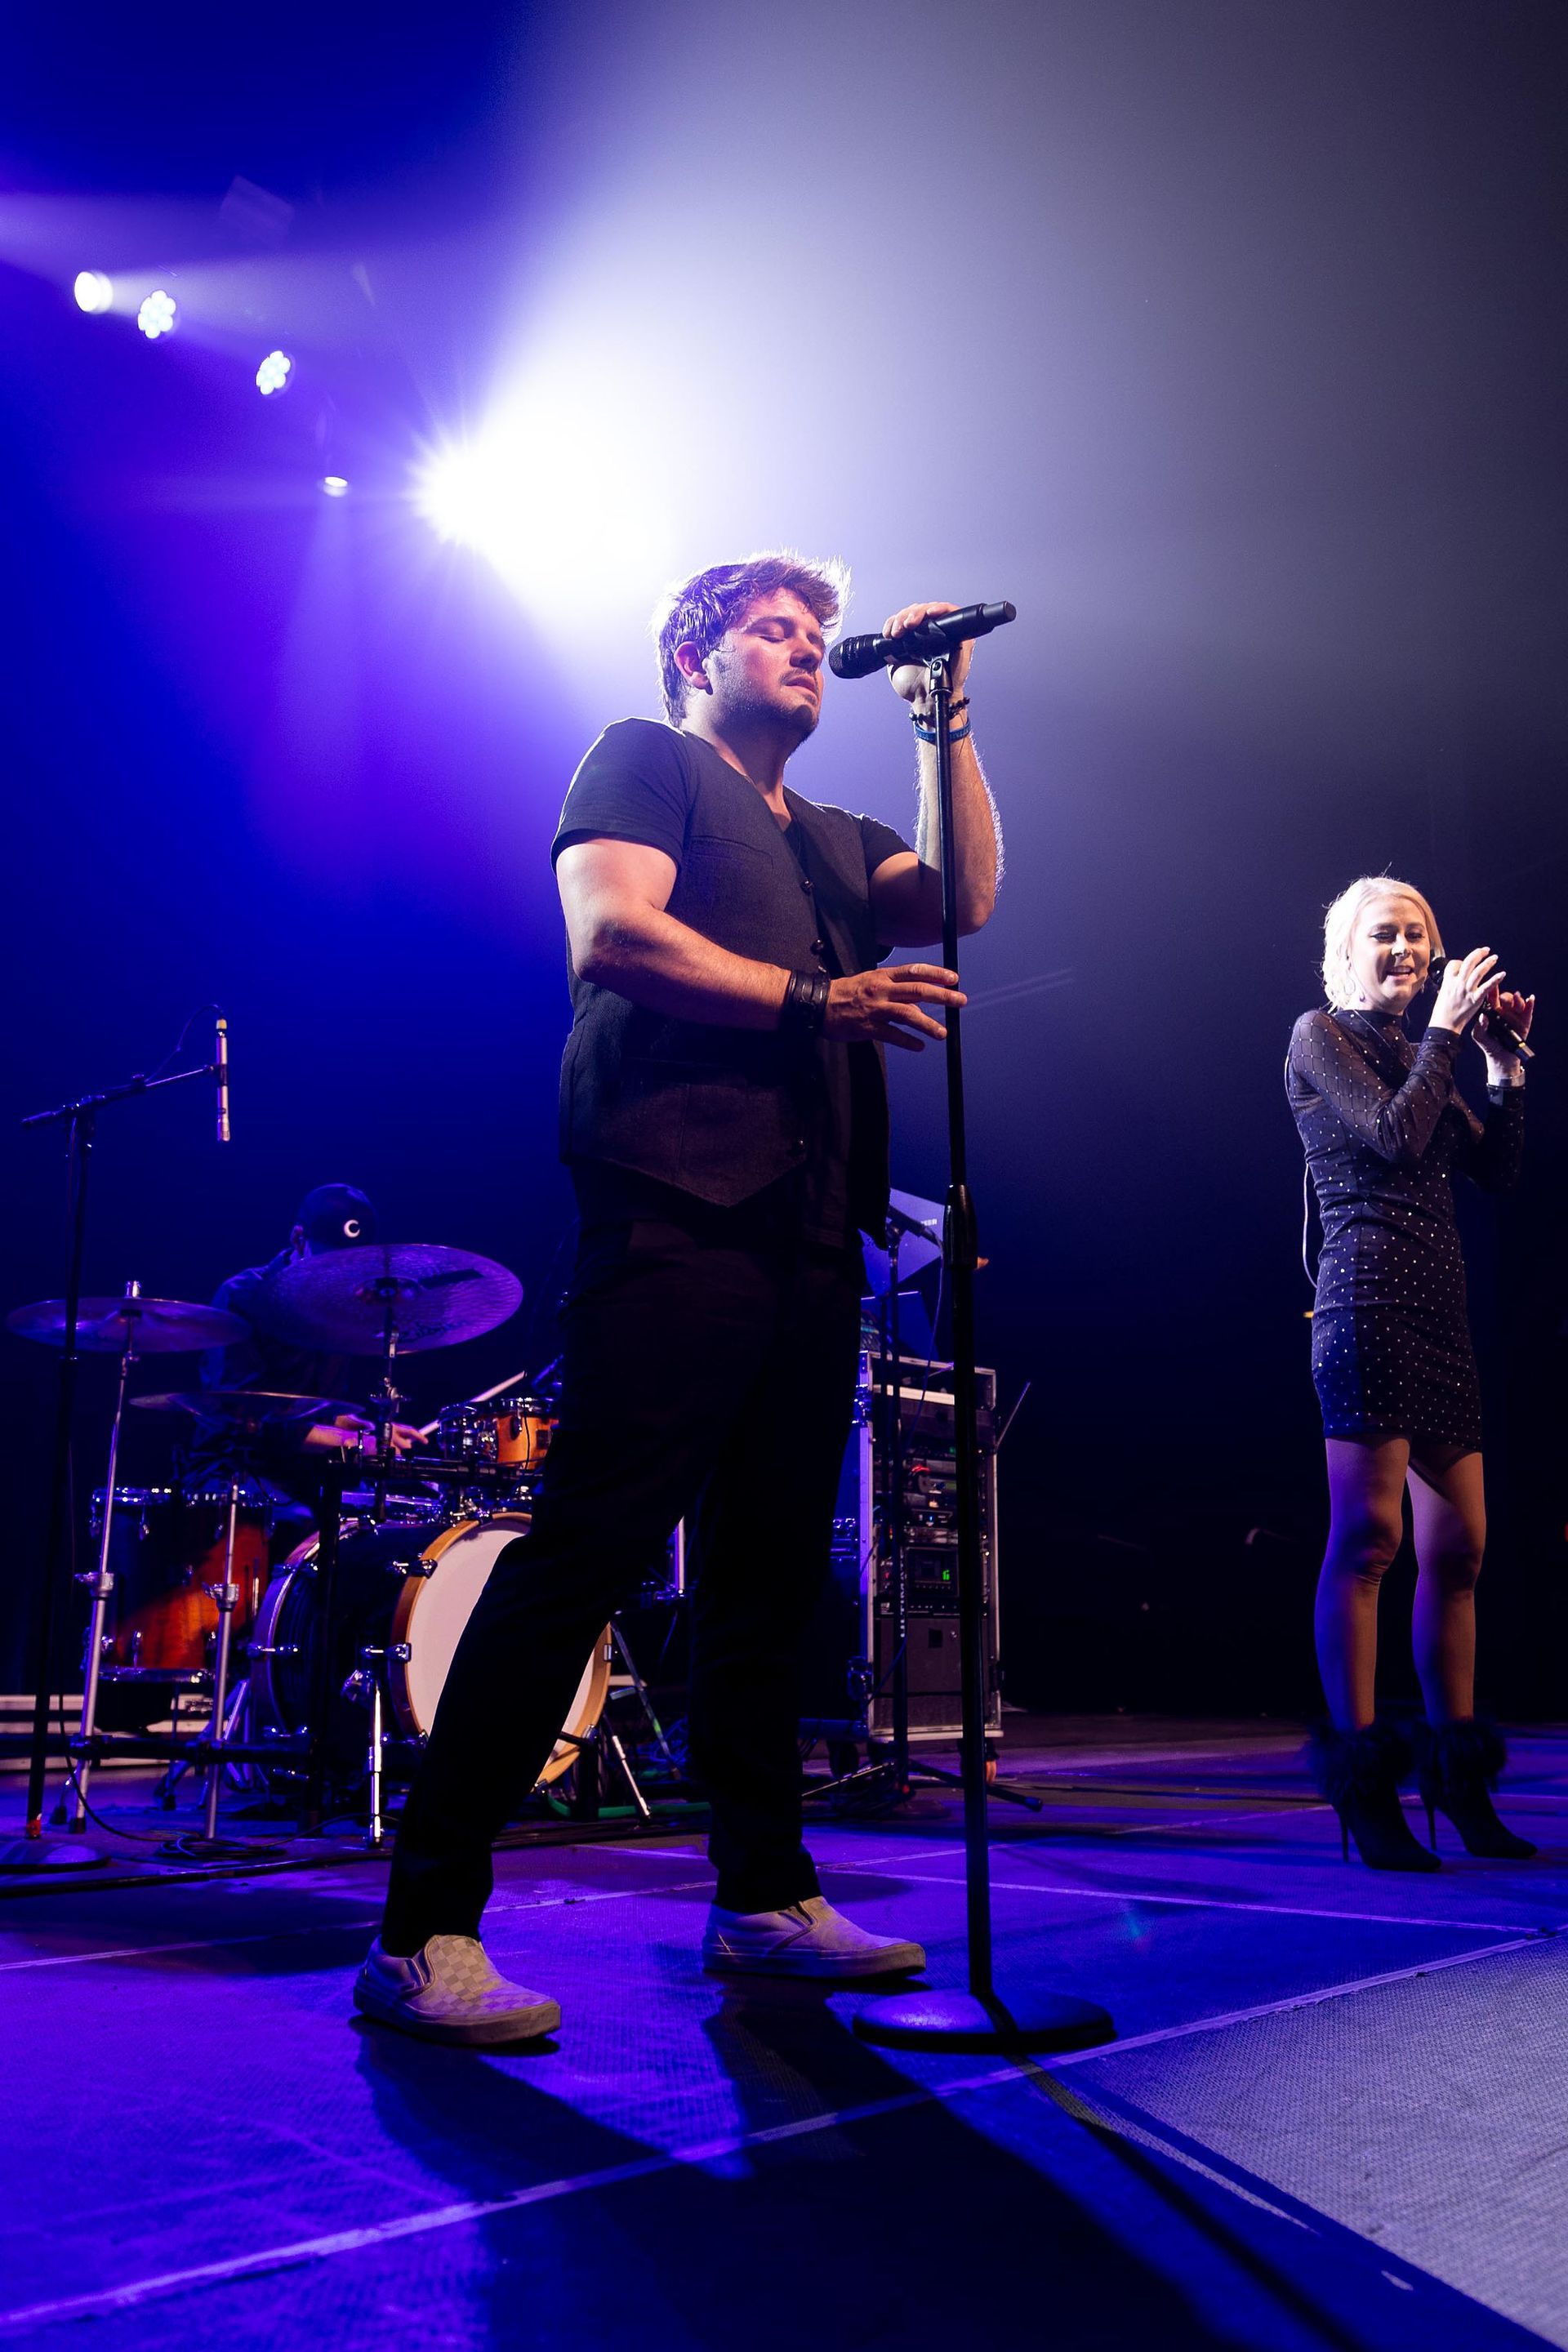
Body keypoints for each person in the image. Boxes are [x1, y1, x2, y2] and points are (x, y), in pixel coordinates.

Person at [355, 553, 1002, 2044]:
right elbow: (610, 933)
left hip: (806, 1230)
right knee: (583, 1554)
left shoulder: (837, 842)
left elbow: (962, 891)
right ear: (694, 653)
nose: (801, 648)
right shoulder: (644, 761)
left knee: (771, 1572)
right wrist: (806, 1002)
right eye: (771, 629)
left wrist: (944, 721)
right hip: (675, 1206)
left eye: (815, 633)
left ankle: (763, 1901)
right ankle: (418, 1931)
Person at [1286, 877, 1535, 1869]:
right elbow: (1389, 1135)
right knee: (1372, 1539)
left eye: (1418, 933)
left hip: (1438, 1318)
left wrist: (1503, 1067)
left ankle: (1459, 1780)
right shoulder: (1321, 1036)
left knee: (1463, 1548)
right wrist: (1443, 1037)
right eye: (1383, 934)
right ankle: (1364, 1789)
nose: (1404, 947)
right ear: (1346, 952)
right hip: (1365, 1305)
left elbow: (1499, 1173)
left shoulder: (1419, 1049)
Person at [202, 1183, 421, 1478]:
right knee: (302, 1520)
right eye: (331, 1260)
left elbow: (309, 1409)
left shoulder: (340, 1305)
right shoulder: (243, 1297)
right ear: (298, 1238)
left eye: (352, 1264)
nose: (341, 1273)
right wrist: (355, 1443)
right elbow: (248, 1418)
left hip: (309, 1473)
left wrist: (365, 1428)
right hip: (236, 1471)